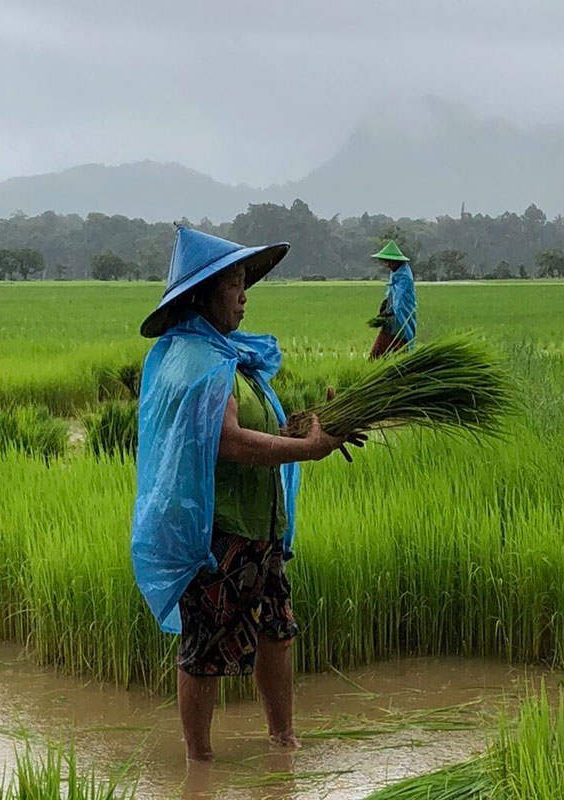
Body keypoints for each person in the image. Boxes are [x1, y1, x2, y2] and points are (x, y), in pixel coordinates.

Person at [132, 227, 360, 762]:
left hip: (262, 528)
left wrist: (315, 427)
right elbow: (228, 441)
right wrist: (308, 451)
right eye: (233, 283)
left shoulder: (228, 356)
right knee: (205, 651)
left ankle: (283, 739)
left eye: (243, 282)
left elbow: (259, 429)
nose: (243, 294)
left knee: (277, 631)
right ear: (202, 294)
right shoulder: (195, 359)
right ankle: (199, 765)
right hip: (219, 534)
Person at [367, 240, 417, 358]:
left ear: (396, 261)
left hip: (400, 321)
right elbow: (391, 294)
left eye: (389, 261)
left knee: (400, 356)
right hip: (391, 321)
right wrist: (385, 305)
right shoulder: (395, 273)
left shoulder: (404, 277)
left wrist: (389, 312)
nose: (387, 264)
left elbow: (400, 302)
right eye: (385, 261)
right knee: (376, 355)